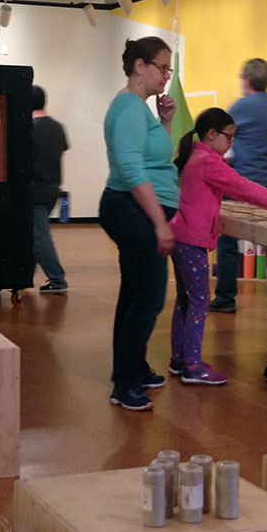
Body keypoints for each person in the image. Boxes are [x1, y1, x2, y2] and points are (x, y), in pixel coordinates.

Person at [169, 108, 267, 385]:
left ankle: (179, 359)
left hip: (182, 237)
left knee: (186, 301)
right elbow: (245, 188)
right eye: (229, 138)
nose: (232, 144)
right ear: (212, 134)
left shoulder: (196, 156)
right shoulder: (209, 161)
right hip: (192, 241)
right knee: (199, 302)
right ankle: (192, 365)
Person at [99, 36, 179, 412]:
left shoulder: (139, 109)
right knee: (148, 297)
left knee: (134, 294)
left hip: (132, 209)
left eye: (169, 68)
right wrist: (160, 223)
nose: (166, 75)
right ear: (140, 66)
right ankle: (125, 384)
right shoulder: (129, 107)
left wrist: (164, 122)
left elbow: (153, 157)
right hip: (132, 210)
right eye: (162, 67)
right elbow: (131, 169)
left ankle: (132, 368)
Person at [210, 58, 267, 316]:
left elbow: (221, 135)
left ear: (247, 80)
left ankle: (226, 298)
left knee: (228, 242)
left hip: (242, 183)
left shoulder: (241, 107)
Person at [31, 85, 70, 293]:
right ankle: (25, 276)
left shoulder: (30, 128)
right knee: (34, 235)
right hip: (52, 189)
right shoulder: (57, 127)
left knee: (39, 237)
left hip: (35, 191)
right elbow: (61, 150)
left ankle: (58, 280)